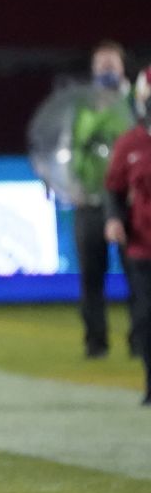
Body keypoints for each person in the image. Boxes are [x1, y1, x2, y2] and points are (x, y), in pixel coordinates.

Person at [71, 41, 139, 358]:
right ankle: (95, 341)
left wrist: (106, 111)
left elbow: (127, 135)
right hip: (90, 201)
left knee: (137, 274)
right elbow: (77, 146)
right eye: (100, 65)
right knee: (91, 276)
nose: (105, 70)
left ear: (123, 68)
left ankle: (141, 340)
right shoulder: (84, 106)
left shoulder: (136, 103)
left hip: (130, 203)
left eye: (111, 64)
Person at [104, 63, 151, 405]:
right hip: (143, 243)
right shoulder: (130, 143)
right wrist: (114, 219)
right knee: (146, 316)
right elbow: (113, 189)